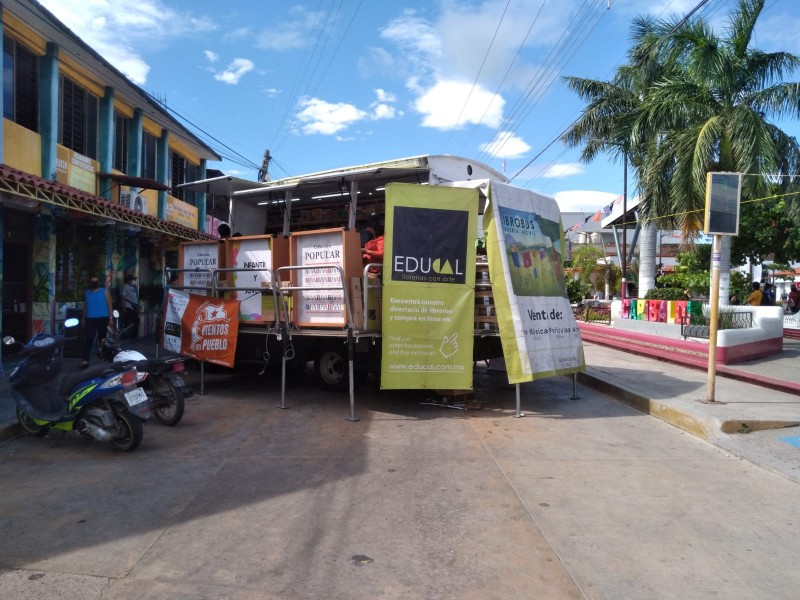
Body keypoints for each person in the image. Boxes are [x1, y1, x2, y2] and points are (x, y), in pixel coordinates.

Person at [81, 275, 114, 368]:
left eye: (96, 281)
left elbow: (109, 305)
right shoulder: (87, 293)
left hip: (103, 318)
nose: (94, 283)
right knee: (89, 339)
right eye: (92, 281)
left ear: (98, 283)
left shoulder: (105, 292)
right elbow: (85, 306)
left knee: (102, 339)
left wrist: (111, 318)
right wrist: (83, 318)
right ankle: (85, 360)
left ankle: (105, 358)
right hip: (90, 319)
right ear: (90, 283)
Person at [121, 274, 139, 341]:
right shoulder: (125, 286)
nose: (133, 281)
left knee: (136, 321)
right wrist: (123, 308)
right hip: (128, 306)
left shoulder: (133, 287)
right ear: (128, 280)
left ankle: (134, 336)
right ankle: (126, 337)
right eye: (132, 279)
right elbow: (122, 297)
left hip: (133, 307)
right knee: (127, 322)